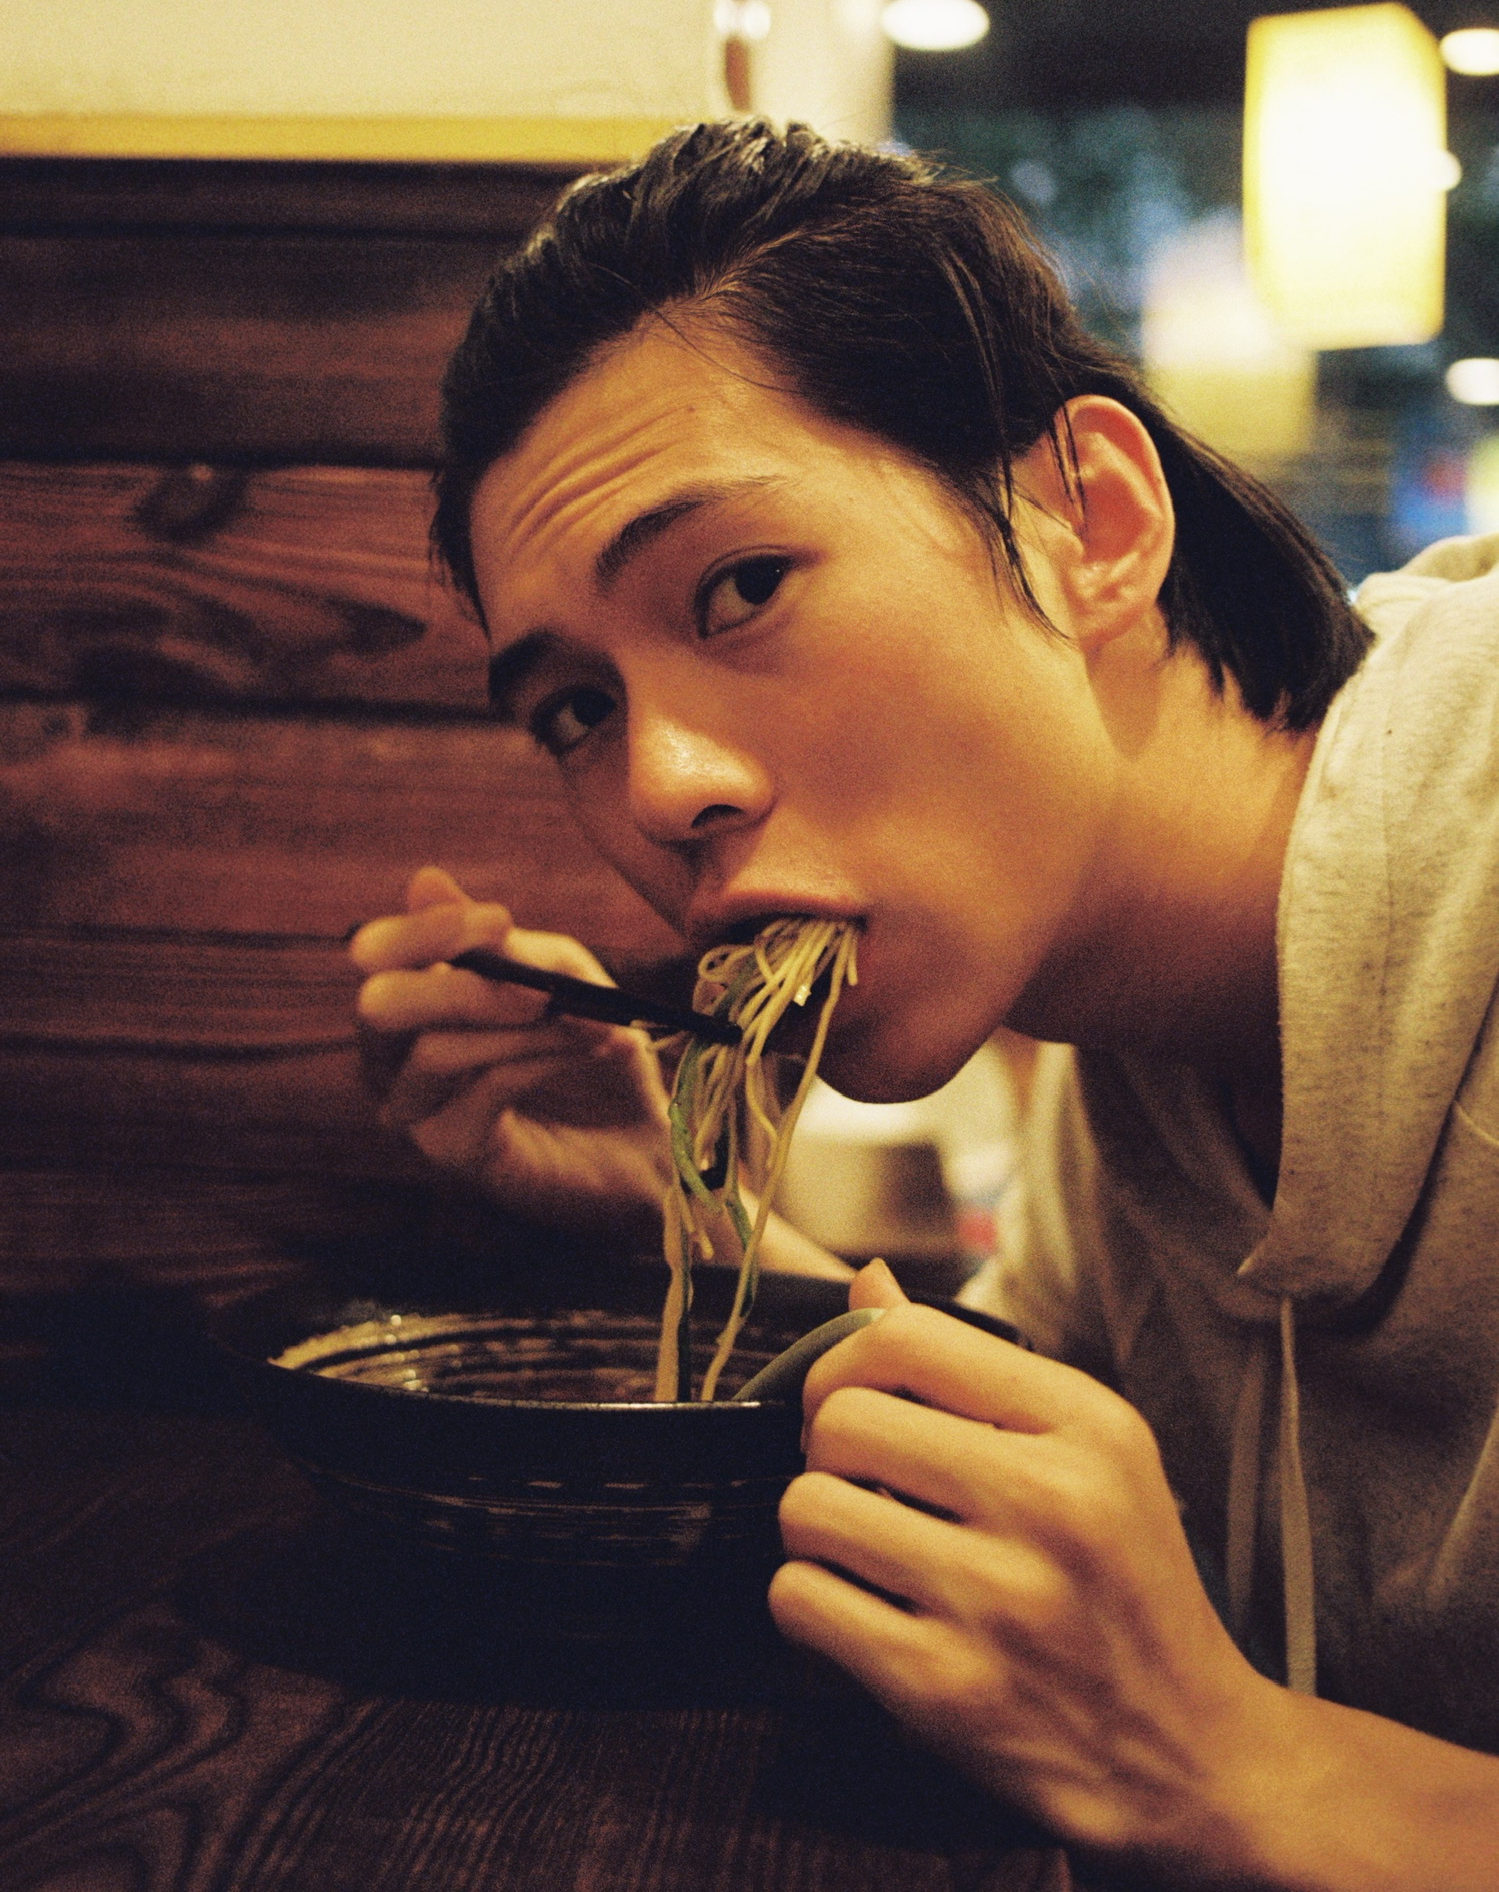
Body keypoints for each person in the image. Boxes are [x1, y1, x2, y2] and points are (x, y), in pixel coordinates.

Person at [350, 118, 1499, 1887]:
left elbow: (1194, 1721)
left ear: (1088, 521)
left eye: (740, 588)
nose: (661, 787)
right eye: (576, 708)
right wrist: (682, 1203)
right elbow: (1031, 1464)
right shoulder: (1132, 1040)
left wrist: (1250, 1765)